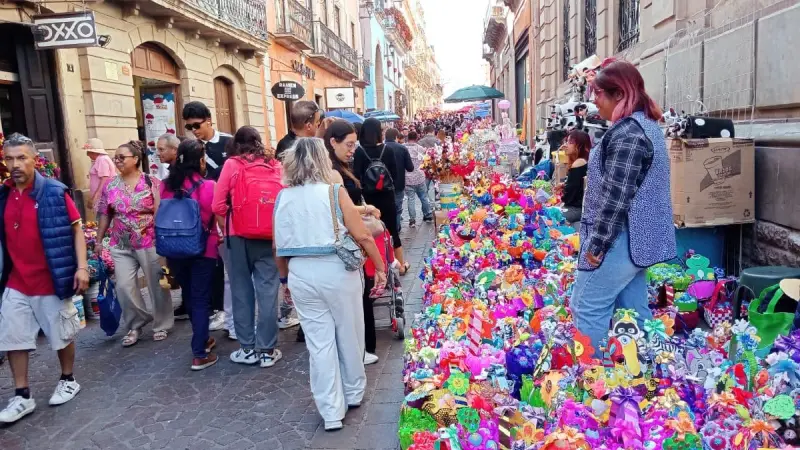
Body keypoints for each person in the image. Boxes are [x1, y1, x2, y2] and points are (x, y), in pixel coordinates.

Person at [274, 137, 386, 432]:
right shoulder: (334, 192)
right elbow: (363, 235)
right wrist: (381, 267)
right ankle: (353, 392)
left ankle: (330, 411)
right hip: (337, 270)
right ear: (322, 160)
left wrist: (285, 280)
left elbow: (278, 248)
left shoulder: (283, 197)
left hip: (300, 272)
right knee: (349, 332)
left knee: (319, 344)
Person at [570, 59, 676, 351]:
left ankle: (588, 373)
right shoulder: (644, 127)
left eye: (599, 93)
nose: (594, 101)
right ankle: (649, 367)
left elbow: (616, 198)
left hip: (621, 238)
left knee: (587, 306)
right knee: (633, 312)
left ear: (619, 94)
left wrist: (597, 245)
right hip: (636, 240)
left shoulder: (629, 133)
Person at [0, 133, 89, 423]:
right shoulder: (3, 194)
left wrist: (82, 267)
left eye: (21, 158)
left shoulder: (54, 191)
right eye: (9, 158)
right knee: (14, 337)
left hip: (50, 278)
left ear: (34, 159)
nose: (15, 164)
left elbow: (76, 229)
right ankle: (22, 395)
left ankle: (68, 379)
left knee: (61, 334)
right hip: (16, 280)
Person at [212, 126, 284, 368]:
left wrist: (233, 224)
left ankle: (247, 349)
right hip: (270, 236)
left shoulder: (232, 165)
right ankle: (267, 350)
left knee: (241, 291)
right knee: (268, 291)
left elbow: (217, 205)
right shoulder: (275, 165)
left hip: (238, 237)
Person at [96, 140, 173, 347]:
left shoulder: (152, 182)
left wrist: (161, 237)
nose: (117, 161)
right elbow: (104, 213)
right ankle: (136, 323)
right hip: (121, 243)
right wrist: (99, 240)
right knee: (123, 286)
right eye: (115, 158)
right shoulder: (110, 185)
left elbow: (160, 211)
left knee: (157, 285)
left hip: (149, 241)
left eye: (122, 157)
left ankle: (161, 324)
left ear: (136, 159)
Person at [323, 119, 382, 365]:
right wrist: (366, 208)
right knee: (357, 298)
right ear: (332, 142)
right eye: (348, 144)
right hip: (348, 240)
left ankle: (360, 349)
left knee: (359, 296)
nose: (352, 150)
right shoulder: (332, 171)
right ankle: (358, 352)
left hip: (351, 238)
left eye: (354, 145)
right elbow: (341, 208)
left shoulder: (340, 167)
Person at [159, 139, 220, 370]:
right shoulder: (209, 186)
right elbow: (216, 216)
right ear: (201, 161)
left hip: (174, 249)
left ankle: (203, 339)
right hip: (204, 248)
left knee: (190, 295)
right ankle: (199, 353)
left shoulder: (165, 186)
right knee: (201, 298)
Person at [182, 102, 232, 335]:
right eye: (189, 127)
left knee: (227, 266)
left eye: (197, 125)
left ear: (209, 120)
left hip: (227, 211)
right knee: (211, 263)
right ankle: (217, 309)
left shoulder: (228, 142)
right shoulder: (190, 147)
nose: (194, 131)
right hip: (203, 214)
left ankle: (228, 312)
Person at [353, 119, 409, 275]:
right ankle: (401, 265)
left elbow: (356, 176)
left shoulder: (359, 152)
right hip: (387, 196)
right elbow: (395, 175)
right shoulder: (387, 150)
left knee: (372, 232)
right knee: (392, 231)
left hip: (368, 199)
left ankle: (377, 268)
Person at [384, 128, 413, 232]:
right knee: (397, 207)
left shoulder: (380, 148)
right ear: (396, 137)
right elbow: (410, 167)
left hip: (382, 184)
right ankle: (396, 229)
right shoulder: (402, 148)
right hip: (398, 183)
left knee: (385, 207)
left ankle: (387, 229)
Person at [560, 130, 591, 224]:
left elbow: (569, 197)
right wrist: (564, 186)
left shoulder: (579, 163)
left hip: (576, 209)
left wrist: (563, 194)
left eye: (570, 142)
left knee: (549, 216)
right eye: (566, 141)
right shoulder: (583, 160)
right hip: (579, 208)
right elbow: (576, 186)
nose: (566, 145)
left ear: (579, 146)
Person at [403, 131, 433, 227]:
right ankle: (428, 215)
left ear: (407, 137)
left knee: (411, 199)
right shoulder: (420, 148)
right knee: (423, 197)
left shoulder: (403, 148)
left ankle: (412, 220)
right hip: (419, 176)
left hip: (407, 178)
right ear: (416, 138)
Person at [85, 138, 116, 213]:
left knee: (103, 216)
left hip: (103, 196)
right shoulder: (100, 159)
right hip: (102, 196)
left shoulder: (102, 159)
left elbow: (104, 178)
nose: (87, 154)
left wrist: (96, 196)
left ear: (94, 152)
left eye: (88, 152)